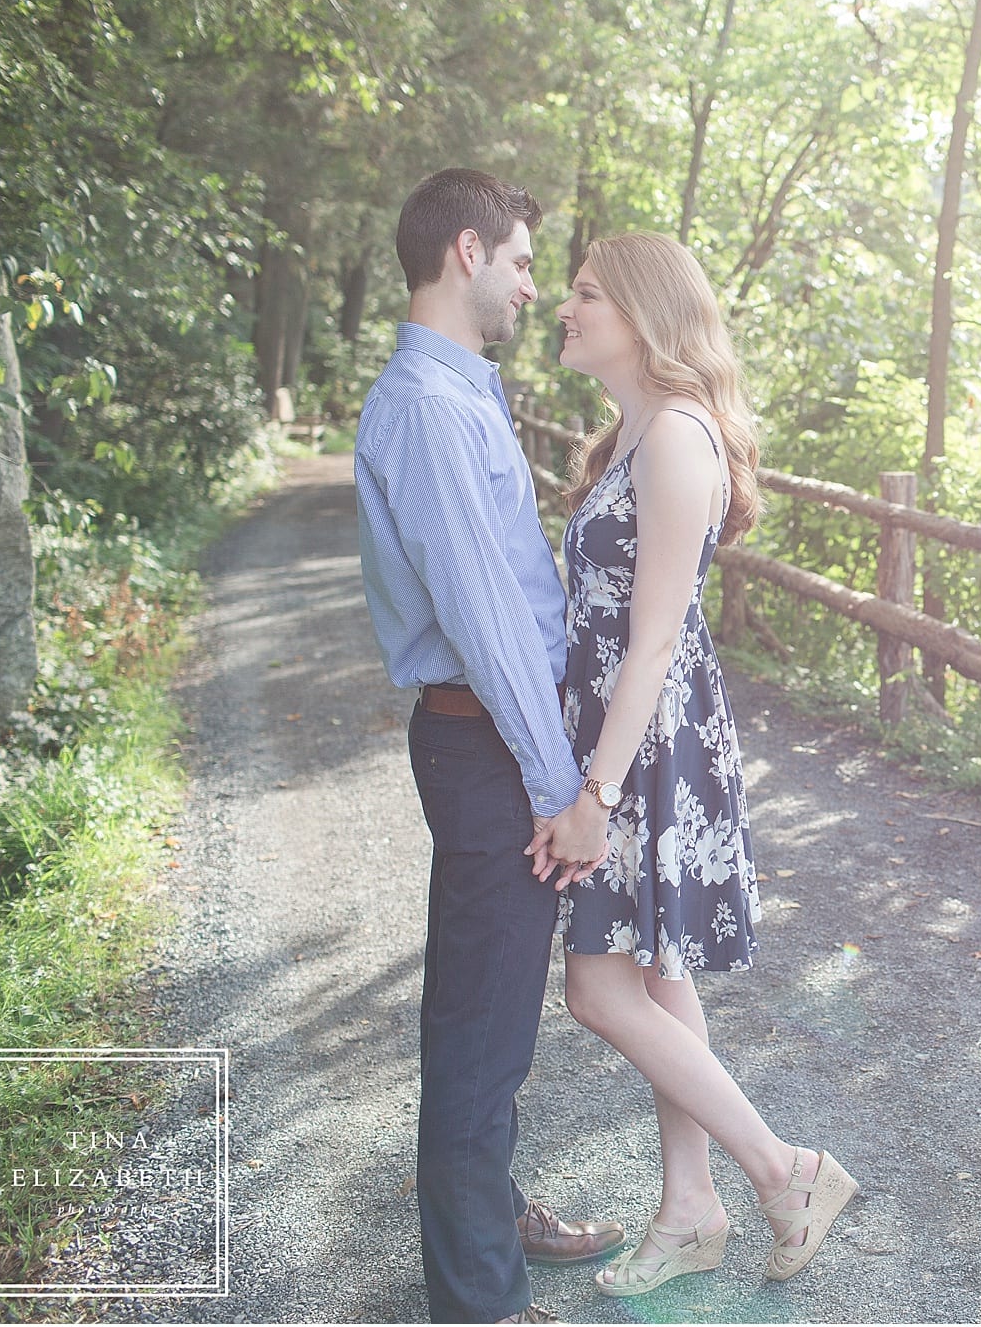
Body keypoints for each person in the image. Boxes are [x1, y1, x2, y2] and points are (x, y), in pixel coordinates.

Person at [546, 231, 856, 1297]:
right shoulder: (630, 434)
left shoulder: (677, 438)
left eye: (587, 293)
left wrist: (594, 794)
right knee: (654, 972)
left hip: (649, 746)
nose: (565, 305)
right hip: (628, 734)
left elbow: (654, 637)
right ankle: (691, 1208)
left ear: (642, 314)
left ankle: (785, 1168)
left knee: (598, 987)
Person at [355, 168, 626, 1324]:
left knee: (497, 1007)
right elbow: (483, 616)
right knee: (477, 1020)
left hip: (496, 745)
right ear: (468, 251)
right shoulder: (426, 406)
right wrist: (562, 783)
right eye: (521, 260)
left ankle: (489, 1210)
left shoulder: (462, 393)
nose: (532, 285)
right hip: (488, 749)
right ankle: (480, 1300)